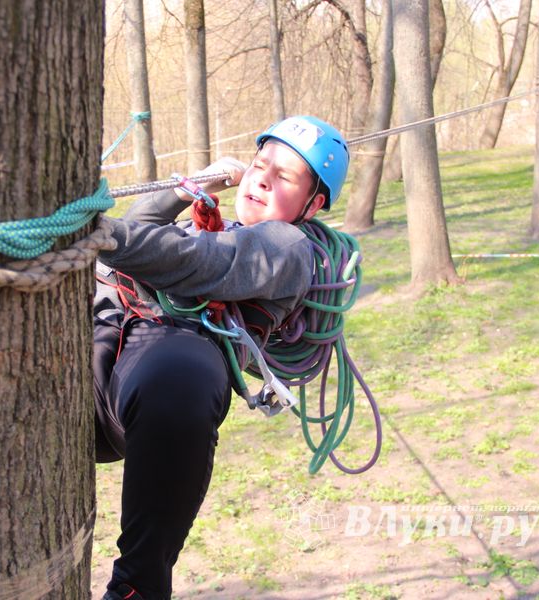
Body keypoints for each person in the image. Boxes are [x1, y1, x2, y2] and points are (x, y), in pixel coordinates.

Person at [94, 116, 350, 600]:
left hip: (155, 374)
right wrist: (188, 189)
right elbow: (140, 229)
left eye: (285, 176)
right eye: (259, 164)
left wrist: (99, 236)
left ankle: (138, 587)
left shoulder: (287, 248)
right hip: (94, 344)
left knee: (185, 370)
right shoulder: (203, 222)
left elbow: (195, 263)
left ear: (312, 205)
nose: (262, 178)